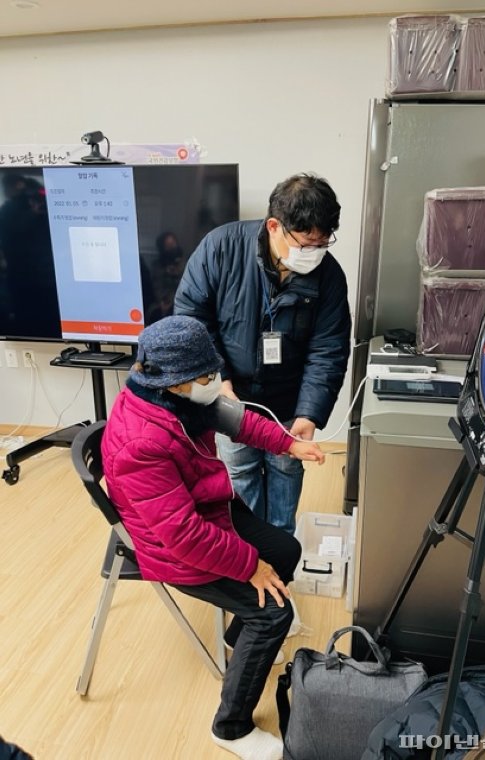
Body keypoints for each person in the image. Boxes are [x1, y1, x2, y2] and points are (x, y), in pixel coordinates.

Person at [102, 315, 325, 760]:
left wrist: (287, 444)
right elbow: (182, 536)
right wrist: (250, 566)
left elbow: (237, 421)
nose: (215, 382)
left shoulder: (177, 399)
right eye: (206, 376)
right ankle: (232, 727)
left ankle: (238, 635)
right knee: (274, 615)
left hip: (208, 509)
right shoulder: (141, 443)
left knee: (287, 548)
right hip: (175, 549)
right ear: (175, 381)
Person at [174, 172, 351, 535]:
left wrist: (309, 412)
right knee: (239, 472)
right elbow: (192, 319)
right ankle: (249, 554)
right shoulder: (220, 248)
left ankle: (281, 549)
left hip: (289, 401)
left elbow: (328, 350)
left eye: (322, 244)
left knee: (286, 468)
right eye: (306, 244)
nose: (314, 253)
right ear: (274, 226)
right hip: (232, 395)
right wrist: (218, 380)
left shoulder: (329, 276)